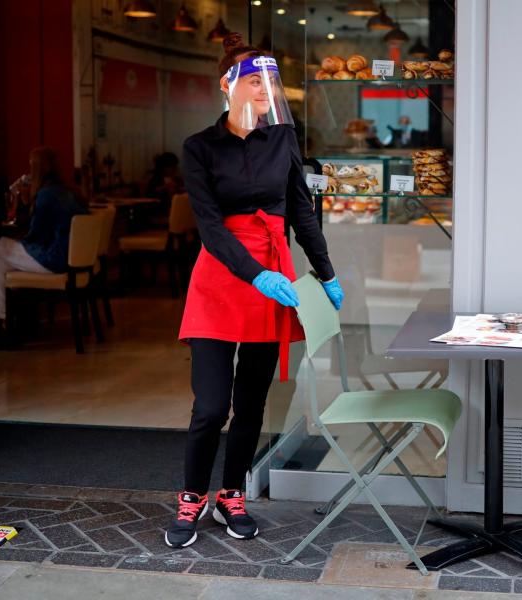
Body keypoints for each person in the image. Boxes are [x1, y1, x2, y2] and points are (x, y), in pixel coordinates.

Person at [165, 32, 344, 549]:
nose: (267, 90)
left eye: (271, 81)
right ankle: (192, 496)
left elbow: (301, 213)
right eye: (256, 81)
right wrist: (253, 274)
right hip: (223, 277)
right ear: (229, 86)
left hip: (274, 277)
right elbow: (211, 227)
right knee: (210, 405)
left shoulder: (283, 140)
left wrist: (326, 272)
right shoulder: (199, 148)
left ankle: (231, 495)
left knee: (250, 404)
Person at [0, 147, 87, 333]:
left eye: (31, 167)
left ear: (37, 170)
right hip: (73, 259)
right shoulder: (70, 192)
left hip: (54, 260)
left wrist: (25, 203)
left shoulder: (46, 195)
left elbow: (36, 236)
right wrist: (25, 200)